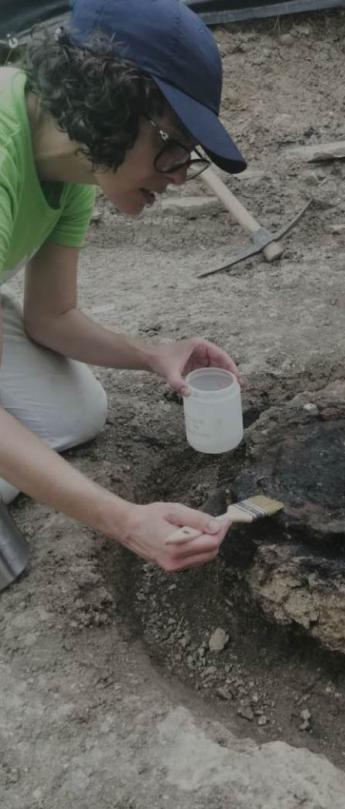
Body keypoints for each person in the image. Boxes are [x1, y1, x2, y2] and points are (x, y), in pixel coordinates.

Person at [0, 0, 248, 583]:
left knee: (75, 413)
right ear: (114, 102)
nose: (181, 174)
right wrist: (124, 520)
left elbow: (51, 317)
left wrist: (150, 356)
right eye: (174, 144)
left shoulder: (77, 164)